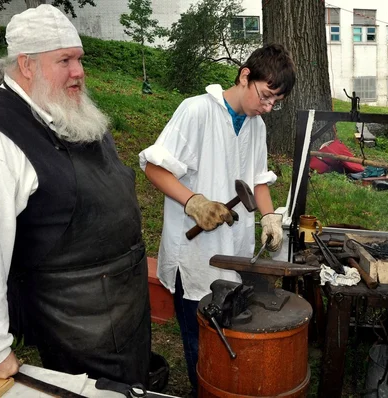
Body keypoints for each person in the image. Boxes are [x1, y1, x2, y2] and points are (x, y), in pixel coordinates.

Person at [0, 4, 151, 385]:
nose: (78, 72)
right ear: (27, 65)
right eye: (65, 61)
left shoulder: (69, 111)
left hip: (125, 304)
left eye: (79, 59)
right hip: (73, 320)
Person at [138, 43, 296, 396]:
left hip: (233, 249)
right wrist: (193, 201)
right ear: (245, 76)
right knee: (202, 343)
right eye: (266, 96)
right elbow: (154, 166)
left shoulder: (256, 125)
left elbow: (256, 180)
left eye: (276, 102)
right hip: (194, 253)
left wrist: (269, 216)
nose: (269, 107)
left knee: (228, 334)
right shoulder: (196, 111)